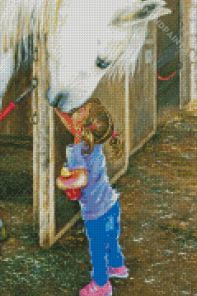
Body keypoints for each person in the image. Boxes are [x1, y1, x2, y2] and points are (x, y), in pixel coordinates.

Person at [55, 98, 128, 296]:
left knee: (97, 249)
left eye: (79, 112)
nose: (75, 112)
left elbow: (80, 179)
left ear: (83, 126)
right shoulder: (94, 140)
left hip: (95, 212)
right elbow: (72, 126)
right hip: (111, 203)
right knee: (112, 239)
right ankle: (118, 267)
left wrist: (61, 182)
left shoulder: (78, 151)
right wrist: (56, 108)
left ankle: (101, 285)